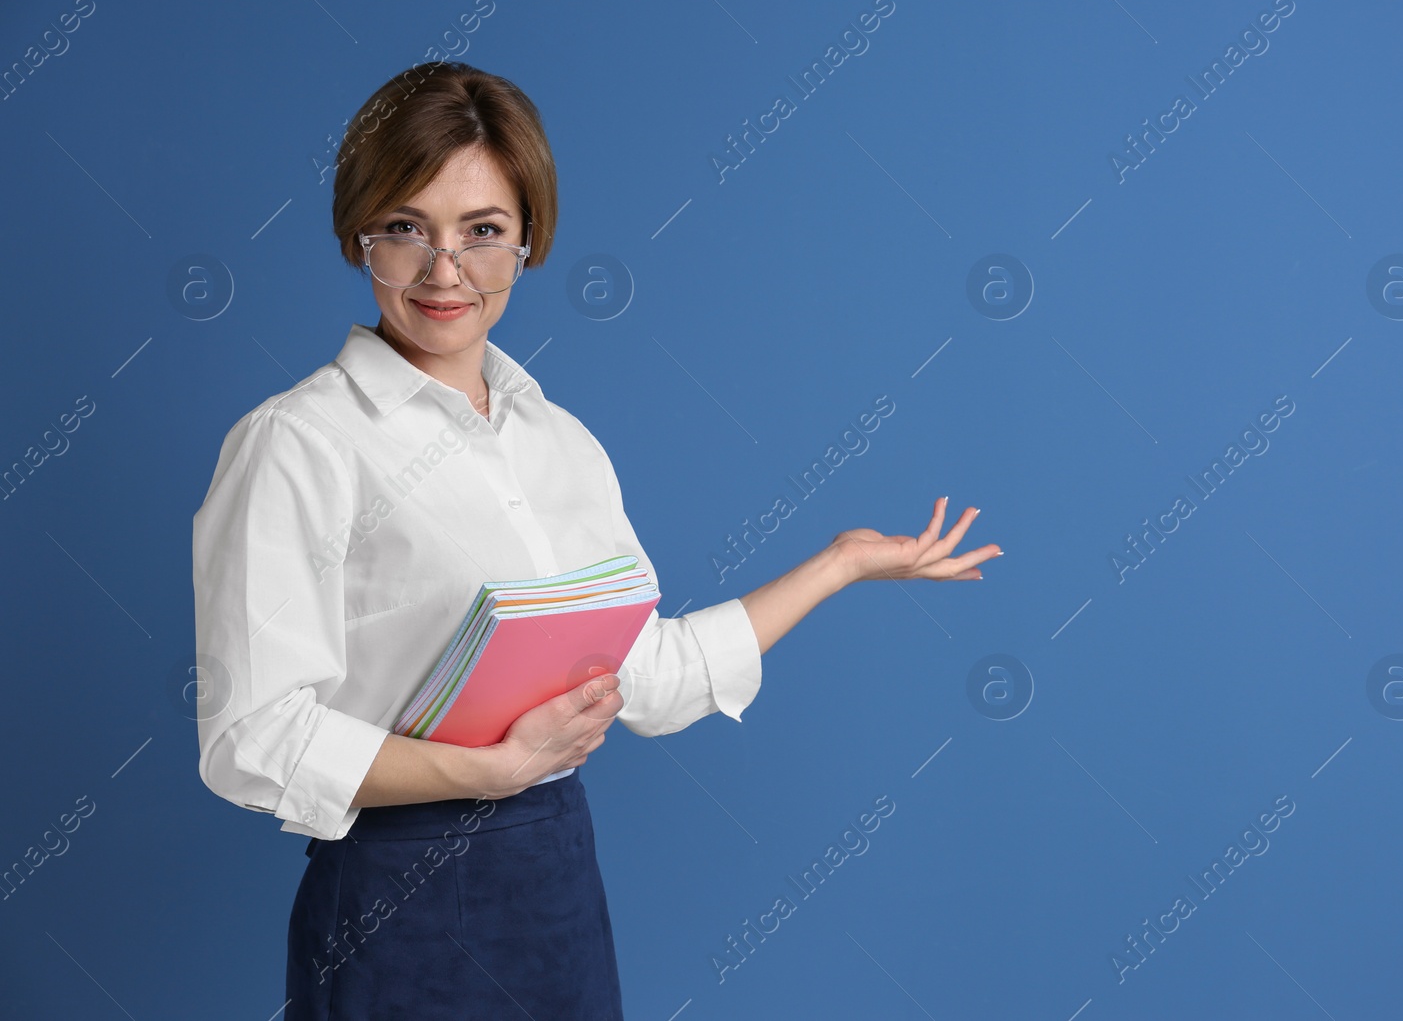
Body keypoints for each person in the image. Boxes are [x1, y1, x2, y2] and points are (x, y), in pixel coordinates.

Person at [190, 60, 999, 1020]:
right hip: (393, 893)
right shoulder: (298, 441)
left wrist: (842, 563)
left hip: (555, 883)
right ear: (358, 236)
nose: (445, 270)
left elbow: (643, 677)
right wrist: (483, 770)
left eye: (483, 232)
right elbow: (249, 735)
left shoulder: (557, 439)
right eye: (406, 227)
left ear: (528, 239)